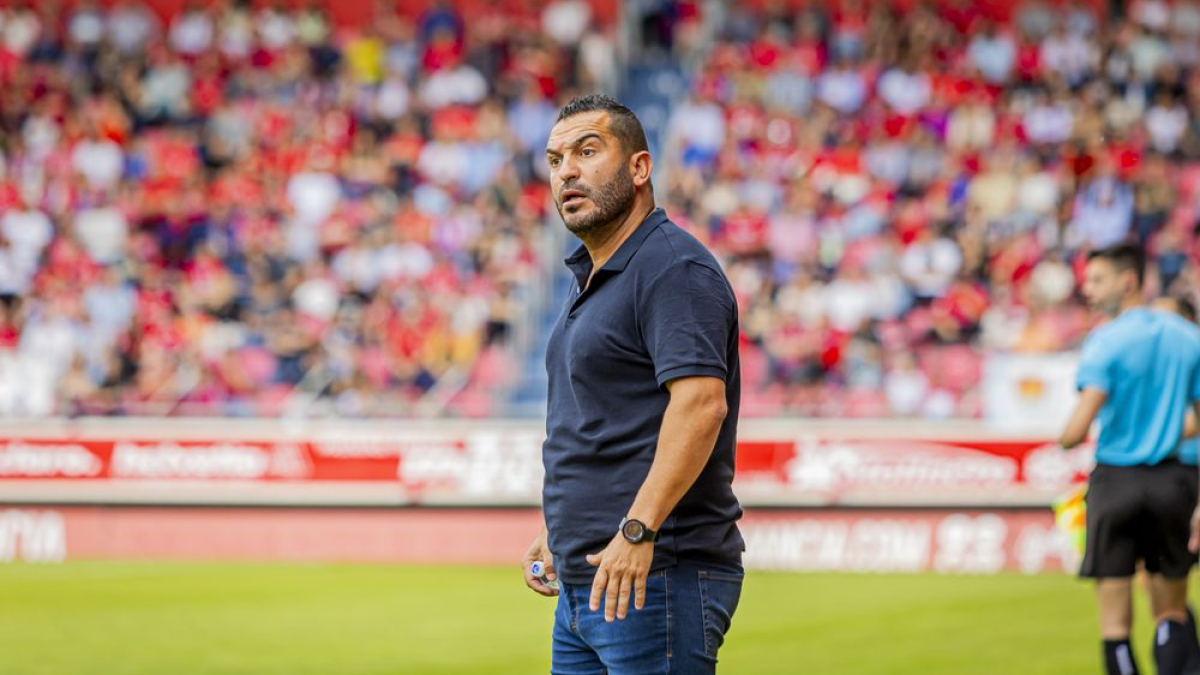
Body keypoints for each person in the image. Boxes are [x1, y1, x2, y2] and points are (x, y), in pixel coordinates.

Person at [522, 94, 745, 674]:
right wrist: (558, 531)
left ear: (640, 168)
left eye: (587, 151)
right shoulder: (589, 276)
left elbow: (700, 406)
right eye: (554, 159)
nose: (566, 170)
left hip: (654, 575)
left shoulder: (673, 268)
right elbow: (600, 420)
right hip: (585, 580)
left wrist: (637, 529)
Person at [1060, 244, 1200, 675]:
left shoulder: (1106, 340)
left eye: (1096, 279)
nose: (1087, 289)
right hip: (1172, 481)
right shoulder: (1186, 336)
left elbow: (1078, 427)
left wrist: (1064, 437)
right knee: (1171, 612)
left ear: (1128, 280)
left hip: (1116, 482)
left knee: (1115, 624)